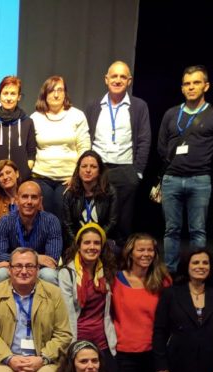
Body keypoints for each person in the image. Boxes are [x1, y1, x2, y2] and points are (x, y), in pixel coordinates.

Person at [157, 65, 213, 272]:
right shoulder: (171, 114)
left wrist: (200, 162)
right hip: (171, 179)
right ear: (182, 88)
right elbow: (162, 146)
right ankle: (170, 271)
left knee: (198, 230)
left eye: (196, 83)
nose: (191, 87)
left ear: (206, 86)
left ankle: (196, 271)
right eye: (187, 84)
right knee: (171, 230)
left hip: (200, 179)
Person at [112, 233, 171, 372]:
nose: (146, 254)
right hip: (125, 353)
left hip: (153, 354)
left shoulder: (163, 281)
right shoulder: (116, 279)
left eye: (150, 250)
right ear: (130, 252)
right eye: (141, 250)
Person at [85, 61, 151, 240]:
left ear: (129, 81)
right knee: (98, 219)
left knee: (123, 223)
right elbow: (86, 138)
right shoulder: (94, 106)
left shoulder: (138, 107)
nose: (118, 80)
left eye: (123, 76)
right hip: (100, 170)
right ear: (106, 79)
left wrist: (137, 173)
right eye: (114, 76)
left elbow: (144, 140)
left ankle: (122, 265)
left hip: (125, 170)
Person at [58, 223, 118, 372]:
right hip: (78, 342)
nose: (92, 247)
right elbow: (67, 313)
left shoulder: (108, 272)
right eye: (87, 242)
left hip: (103, 342)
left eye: (96, 243)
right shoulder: (67, 273)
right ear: (78, 245)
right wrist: (71, 347)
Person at [30, 76, 90, 222]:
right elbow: (30, 150)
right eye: (52, 91)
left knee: (63, 213)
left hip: (68, 178)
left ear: (65, 94)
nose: (56, 95)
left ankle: (64, 245)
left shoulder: (77, 115)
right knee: (45, 216)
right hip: (42, 176)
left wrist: (76, 176)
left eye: (60, 90)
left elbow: (84, 147)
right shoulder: (35, 118)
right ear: (45, 94)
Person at [0, 180, 62, 285]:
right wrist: (37, 258)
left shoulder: (51, 221)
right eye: (24, 197)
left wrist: (18, 261)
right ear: (17, 200)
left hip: (39, 269)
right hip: (14, 268)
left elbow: (52, 259)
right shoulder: (5, 221)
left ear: (40, 201)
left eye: (34, 197)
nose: (29, 201)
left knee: (49, 275)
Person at [0, 75, 36, 186]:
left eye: (13, 94)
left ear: (19, 97)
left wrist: (25, 172)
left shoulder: (27, 122)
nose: (9, 98)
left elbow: (31, 153)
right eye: (5, 93)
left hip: (20, 183)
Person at [62, 150, 118, 242]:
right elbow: (68, 225)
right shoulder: (70, 193)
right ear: (78, 170)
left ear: (100, 170)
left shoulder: (109, 192)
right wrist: (79, 242)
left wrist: (97, 240)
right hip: (77, 242)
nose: (88, 170)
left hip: (103, 240)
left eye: (93, 167)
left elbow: (111, 222)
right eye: (84, 166)